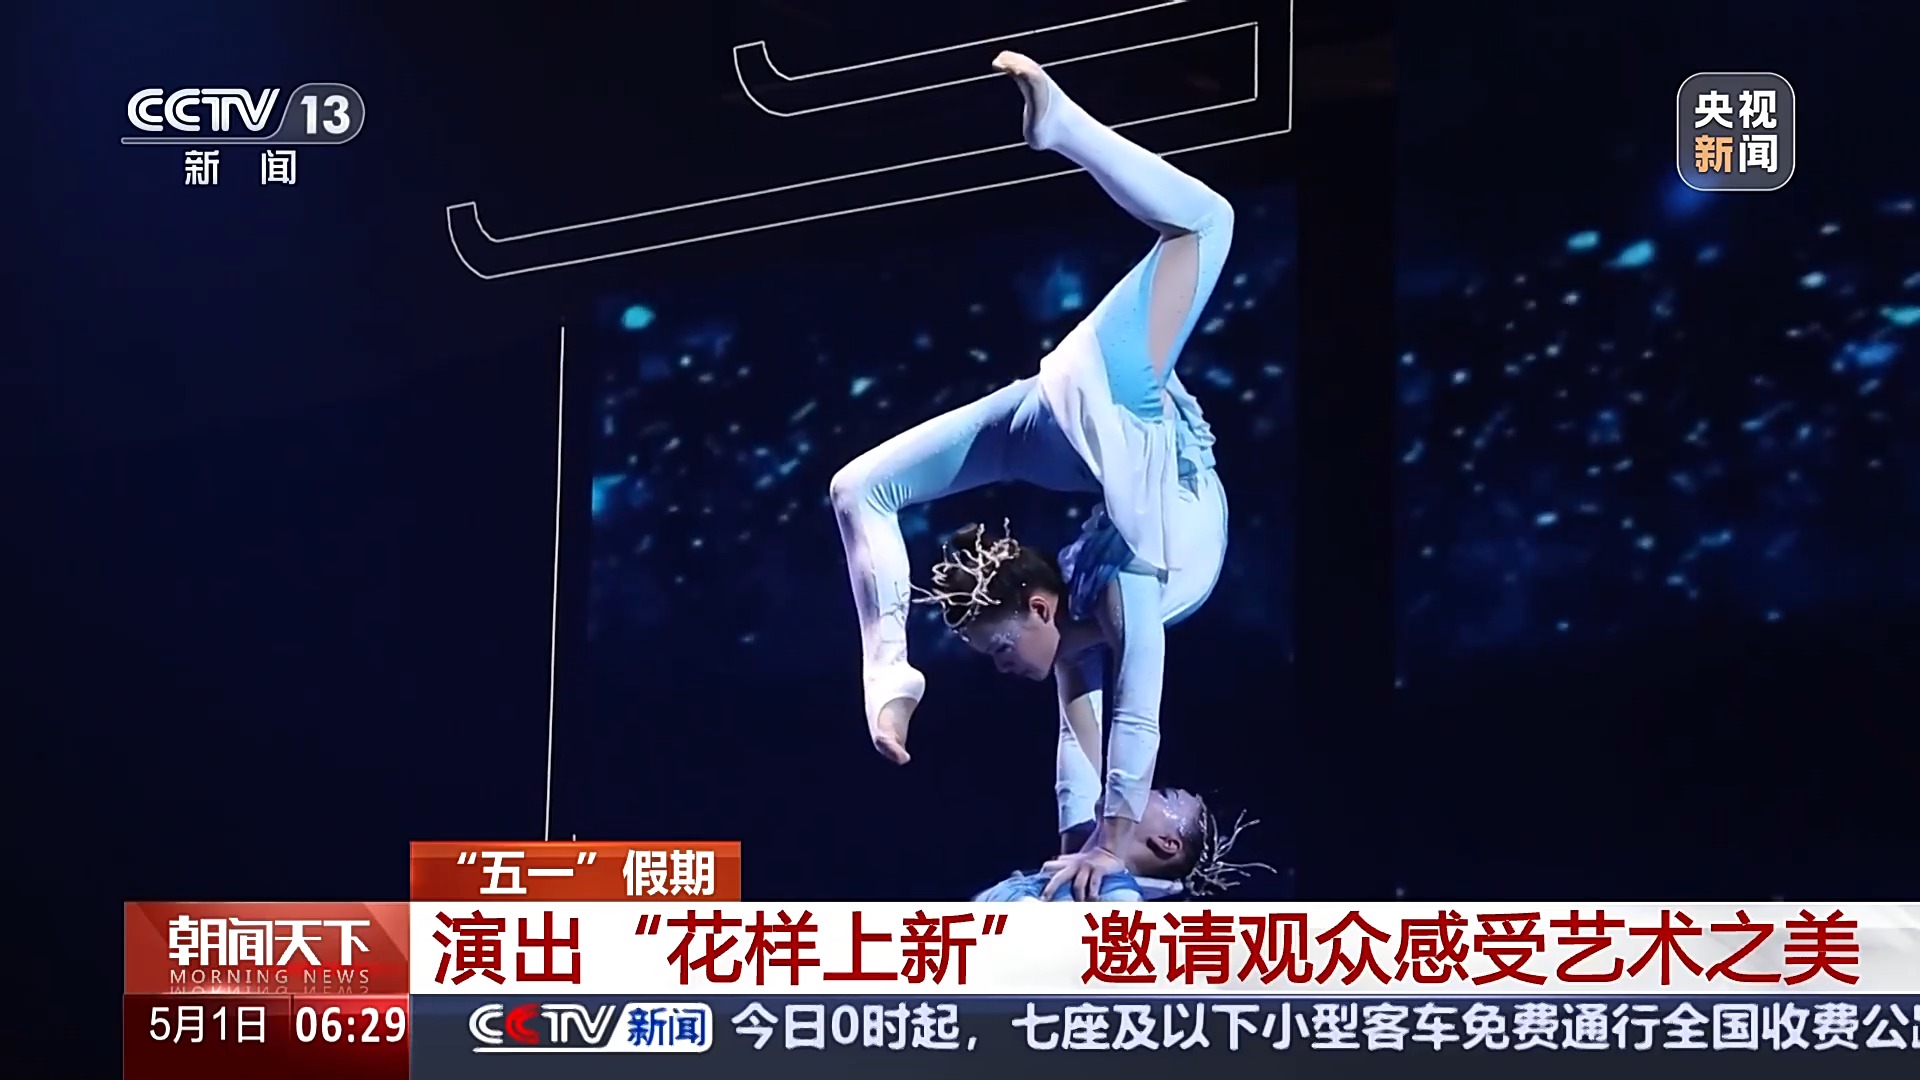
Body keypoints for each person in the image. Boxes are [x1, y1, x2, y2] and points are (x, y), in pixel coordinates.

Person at [829, 51, 1234, 897]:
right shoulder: (1123, 591)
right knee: (1207, 223)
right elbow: (1133, 713)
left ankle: (890, 674)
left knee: (862, 489)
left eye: (997, 650)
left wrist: (1088, 853)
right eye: (1002, 649)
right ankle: (1066, 128)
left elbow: (1074, 745)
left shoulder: (1077, 620)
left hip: (1071, 427)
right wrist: (1104, 846)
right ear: (1041, 608)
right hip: (1113, 416)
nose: (1002, 667)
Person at [973, 788, 1266, 902]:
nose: (1143, 787)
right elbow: (1075, 748)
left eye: (1164, 795)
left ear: (1167, 843)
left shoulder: (1121, 904)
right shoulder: (1080, 863)